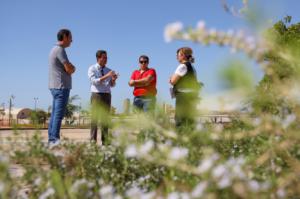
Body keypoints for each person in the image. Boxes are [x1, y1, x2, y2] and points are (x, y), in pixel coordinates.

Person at [48, 29, 76, 147]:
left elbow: (68, 67)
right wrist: (73, 68)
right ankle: (54, 142)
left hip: (55, 86)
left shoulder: (54, 49)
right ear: (64, 37)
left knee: (55, 115)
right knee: (58, 115)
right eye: (70, 38)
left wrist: (71, 67)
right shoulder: (60, 50)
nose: (72, 40)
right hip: (61, 87)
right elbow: (69, 69)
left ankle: (51, 140)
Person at [88, 50, 118, 145]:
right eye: (104, 58)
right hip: (96, 95)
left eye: (106, 58)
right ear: (98, 58)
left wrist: (113, 79)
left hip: (107, 95)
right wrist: (107, 76)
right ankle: (93, 142)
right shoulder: (92, 68)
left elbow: (112, 85)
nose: (106, 60)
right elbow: (94, 81)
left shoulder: (109, 70)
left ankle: (105, 142)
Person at [169, 47, 200, 130]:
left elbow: (173, 81)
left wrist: (171, 79)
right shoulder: (192, 68)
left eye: (178, 55)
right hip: (192, 96)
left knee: (180, 120)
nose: (176, 57)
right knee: (190, 121)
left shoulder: (182, 66)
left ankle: (180, 141)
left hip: (183, 97)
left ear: (183, 55)